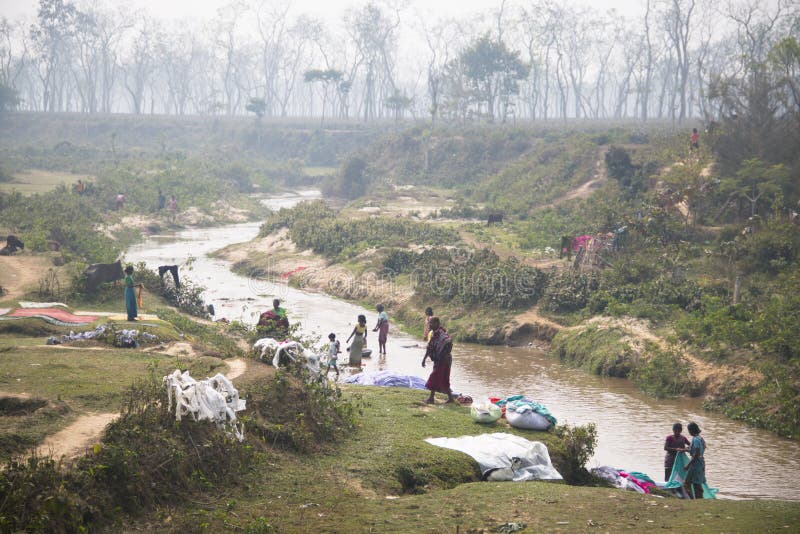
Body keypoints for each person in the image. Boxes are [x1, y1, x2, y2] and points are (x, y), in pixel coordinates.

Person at [421, 316, 455, 404]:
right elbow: (430, 347)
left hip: (444, 360)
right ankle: (451, 398)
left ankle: (431, 398)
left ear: (437, 323)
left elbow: (448, 342)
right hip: (439, 359)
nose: (429, 325)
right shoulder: (433, 334)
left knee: (434, 377)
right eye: (429, 323)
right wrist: (424, 359)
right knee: (444, 379)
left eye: (431, 323)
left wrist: (442, 355)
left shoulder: (441, 333)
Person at [685, 422, 707, 499]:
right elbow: (701, 449)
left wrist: (688, 465)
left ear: (691, 430)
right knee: (696, 482)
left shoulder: (695, 439)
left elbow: (696, 453)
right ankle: (697, 498)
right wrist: (684, 450)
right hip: (700, 462)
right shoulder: (700, 438)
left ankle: (695, 499)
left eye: (689, 430)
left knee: (689, 483)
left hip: (696, 463)